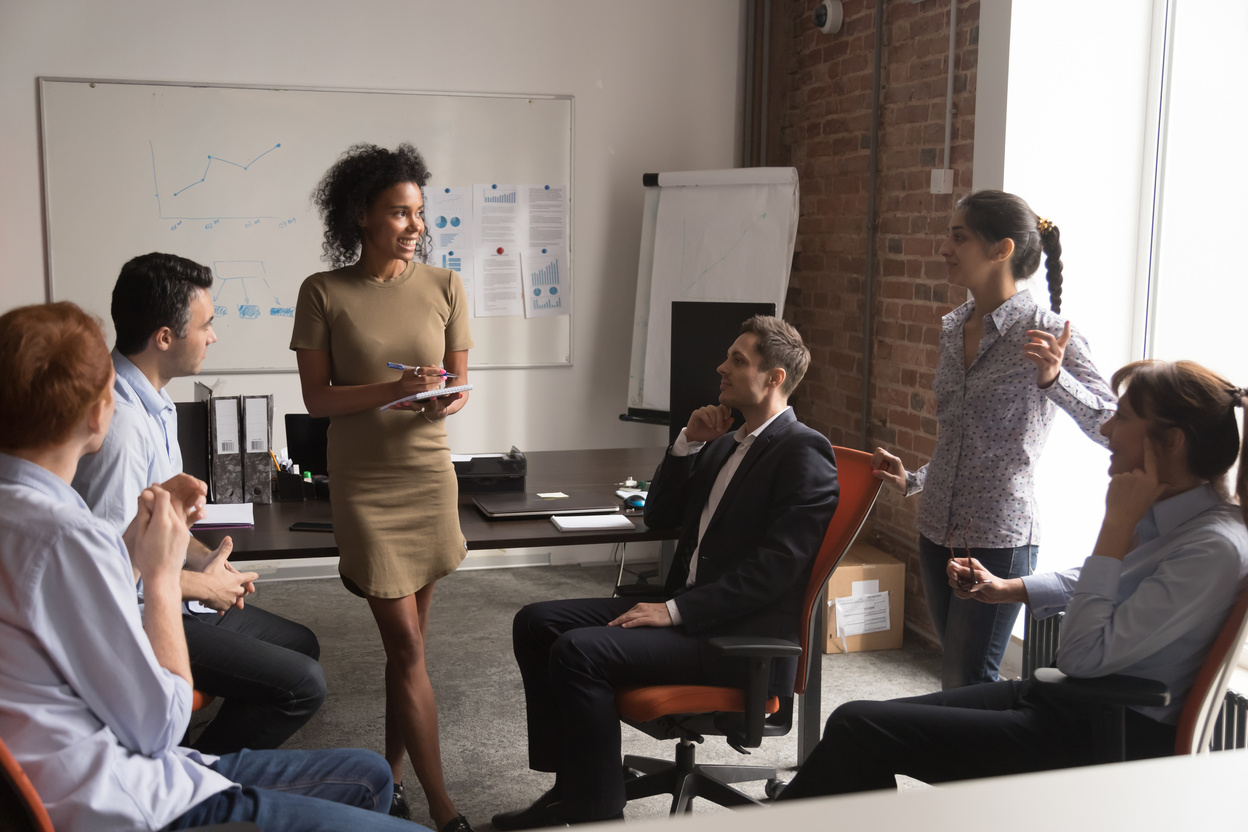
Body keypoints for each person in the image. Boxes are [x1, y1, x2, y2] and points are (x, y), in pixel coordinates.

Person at [0, 301, 429, 832]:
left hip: (122, 769)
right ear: (97, 414)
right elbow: (158, 726)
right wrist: (160, 578)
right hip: (145, 801)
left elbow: (67, 602)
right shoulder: (64, 536)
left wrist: (140, 540)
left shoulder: (30, 517)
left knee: (368, 775)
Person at [775, 358, 1248, 800]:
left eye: (1121, 417)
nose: (1106, 430)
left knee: (861, 729)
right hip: (1069, 703)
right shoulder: (1183, 518)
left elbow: (1081, 655)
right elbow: (1111, 579)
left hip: (1103, 733)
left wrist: (1114, 526)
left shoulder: (1212, 548)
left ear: (1171, 442)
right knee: (852, 723)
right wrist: (1009, 589)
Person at [492, 316, 839, 828]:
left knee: (578, 651)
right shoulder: (725, 440)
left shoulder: (803, 451)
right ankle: (574, 784)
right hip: (696, 615)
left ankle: (599, 811)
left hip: (737, 639)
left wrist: (674, 611)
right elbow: (659, 517)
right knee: (536, 622)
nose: (721, 367)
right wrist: (686, 445)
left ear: (774, 378)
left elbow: (774, 572)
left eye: (738, 361)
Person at [72, 252, 326, 754]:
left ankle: (201, 755)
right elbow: (106, 568)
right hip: (137, 618)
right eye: (207, 325)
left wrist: (206, 563)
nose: (213, 337)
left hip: (172, 595)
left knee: (302, 644)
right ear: (165, 337)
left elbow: (157, 527)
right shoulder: (120, 427)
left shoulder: (157, 401)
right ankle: (199, 775)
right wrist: (198, 585)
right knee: (302, 685)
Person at [290, 143, 474, 832]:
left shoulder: (447, 285)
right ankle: (445, 809)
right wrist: (394, 388)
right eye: (398, 212)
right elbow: (318, 400)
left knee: (412, 651)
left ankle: (388, 780)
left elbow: (458, 389)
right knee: (406, 649)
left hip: (428, 475)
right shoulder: (323, 292)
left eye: (419, 212)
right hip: (366, 487)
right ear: (360, 215)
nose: (413, 225)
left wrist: (437, 400)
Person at [871, 190, 1116, 689]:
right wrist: (913, 479)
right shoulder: (952, 326)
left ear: (1001, 249)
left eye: (958, 237)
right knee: (957, 676)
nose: (944, 247)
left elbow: (1112, 426)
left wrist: (1054, 379)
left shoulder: (1046, 333)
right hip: (936, 525)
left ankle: (987, 765)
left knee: (969, 679)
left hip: (999, 536)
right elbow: (961, 438)